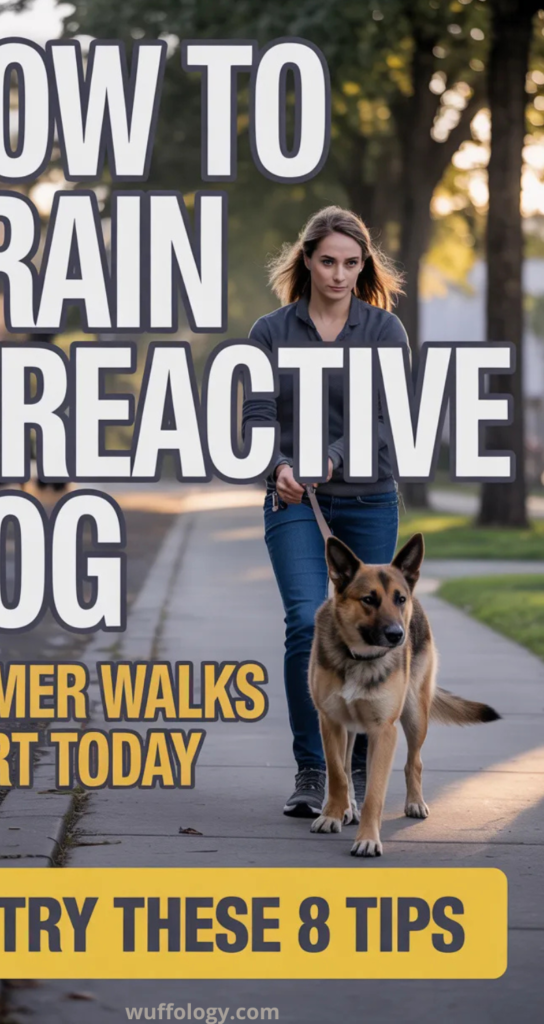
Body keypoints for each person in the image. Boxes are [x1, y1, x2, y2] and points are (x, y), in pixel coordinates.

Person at [242, 205, 408, 817]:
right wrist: (279, 467)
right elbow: (257, 417)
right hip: (294, 500)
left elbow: (392, 423)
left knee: (373, 635)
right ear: (307, 260)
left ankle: (362, 763)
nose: (339, 274)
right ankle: (313, 769)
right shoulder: (270, 333)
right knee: (303, 624)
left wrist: (332, 457)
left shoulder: (384, 333)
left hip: (367, 501)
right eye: (328, 261)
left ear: (363, 267)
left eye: (351, 263)